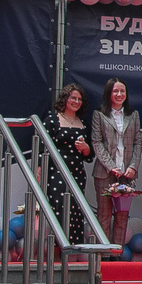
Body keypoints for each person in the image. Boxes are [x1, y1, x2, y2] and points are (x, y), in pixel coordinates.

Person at [33, 84, 94, 251]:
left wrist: (85, 148)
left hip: (77, 172)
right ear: (65, 99)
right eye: (73, 98)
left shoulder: (83, 123)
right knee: (58, 205)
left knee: (75, 209)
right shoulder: (52, 120)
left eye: (79, 99)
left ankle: (71, 249)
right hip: (56, 171)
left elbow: (89, 155)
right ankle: (55, 249)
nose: (76, 101)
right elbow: (41, 146)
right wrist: (39, 168)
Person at [91, 79, 142, 249]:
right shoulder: (99, 114)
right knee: (104, 215)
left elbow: (138, 142)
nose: (119, 95)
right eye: (115, 91)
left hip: (126, 173)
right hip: (105, 172)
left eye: (122, 91)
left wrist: (133, 166)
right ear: (109, 94)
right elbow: (96, 142)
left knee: (122, 215)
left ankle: (117, 253)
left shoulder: (133, 114)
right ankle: (104, 255)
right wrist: (110, 165)